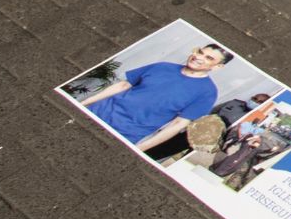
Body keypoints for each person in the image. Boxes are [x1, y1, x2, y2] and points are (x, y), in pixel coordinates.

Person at [78, 43, 230, 151]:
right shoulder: (162, 66)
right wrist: (84, 103)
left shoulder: (207, 92)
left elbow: (178, 124)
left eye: (209, 58)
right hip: (97, 112)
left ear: (217, 67)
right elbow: (123, 85)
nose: (199, 57)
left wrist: (139, 148)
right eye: (200, 52)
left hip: (125, 133)